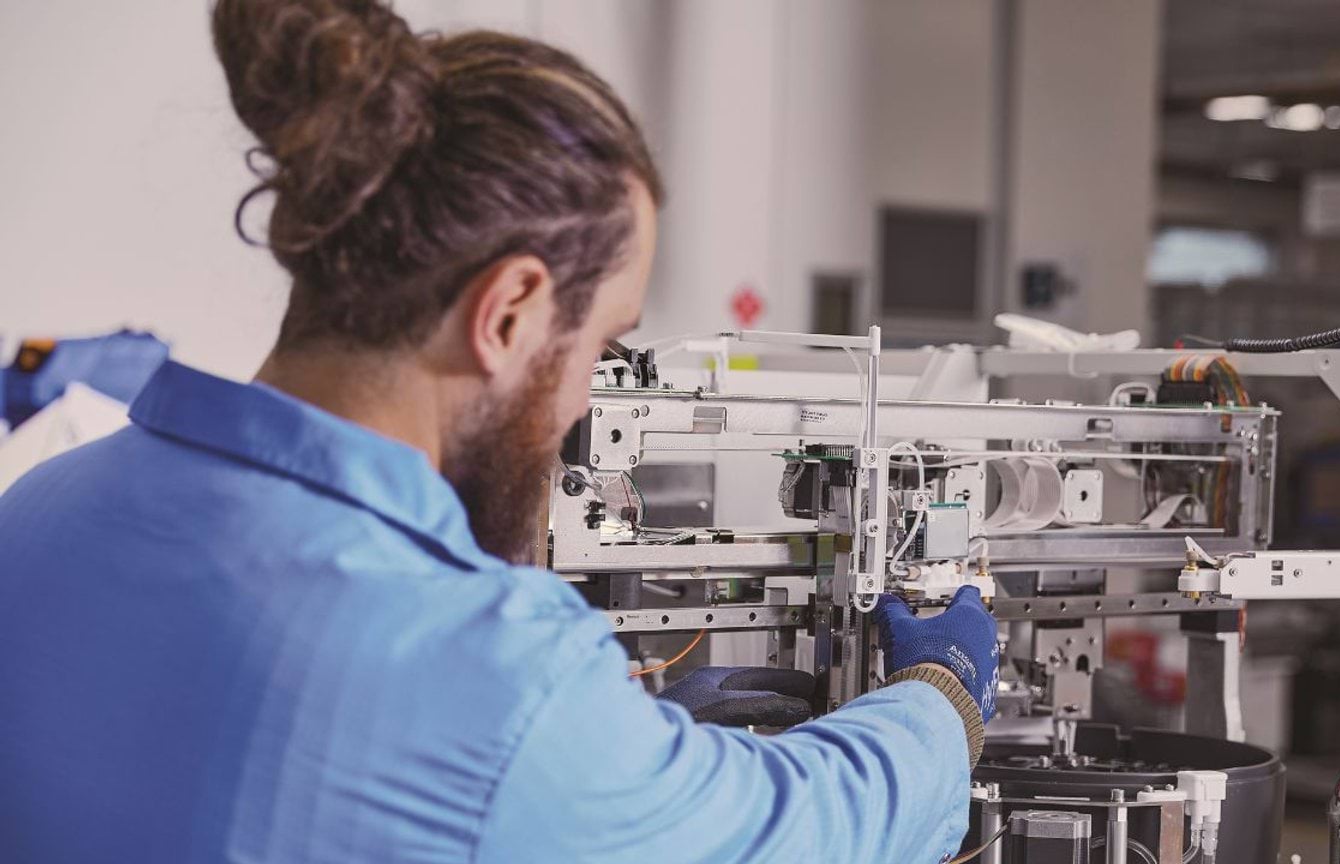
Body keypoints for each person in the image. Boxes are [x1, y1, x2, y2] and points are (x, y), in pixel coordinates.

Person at [0, 1, 1000, 862]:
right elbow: (789, 834)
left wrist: (609, 750)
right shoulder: (482, 671)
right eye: (603, 345)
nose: (582, 407)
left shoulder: (38, 513)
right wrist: (938, 695)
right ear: (510, 310)